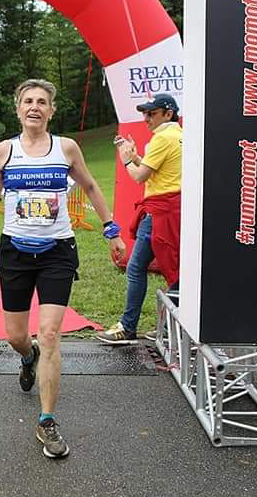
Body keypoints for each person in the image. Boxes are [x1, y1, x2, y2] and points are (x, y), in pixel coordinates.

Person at [0, 79, 126, 459]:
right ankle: (26, 357)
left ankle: (47, 420)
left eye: (42, 102)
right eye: (28, 101)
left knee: (49, 334)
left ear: (50, 111)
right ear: (18, 110)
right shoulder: (4, 151)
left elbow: (93, 186)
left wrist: (110, 229)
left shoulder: (66, 148)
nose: (34, 106)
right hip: (15, 252)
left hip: (57, 253)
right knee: (17, 336)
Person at [96, 93, 182, 344]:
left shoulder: (162, 138)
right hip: (172, 209)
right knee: (176, 272)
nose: (146, 118)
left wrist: (125, 161)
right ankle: (168, 330)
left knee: (138, 268)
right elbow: (157, 170)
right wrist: (134, 157)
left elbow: (140, 177)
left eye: (151, 113)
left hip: (159, 212)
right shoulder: (178, 135)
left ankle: (129, 326)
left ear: (168, 113)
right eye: (145, 113)